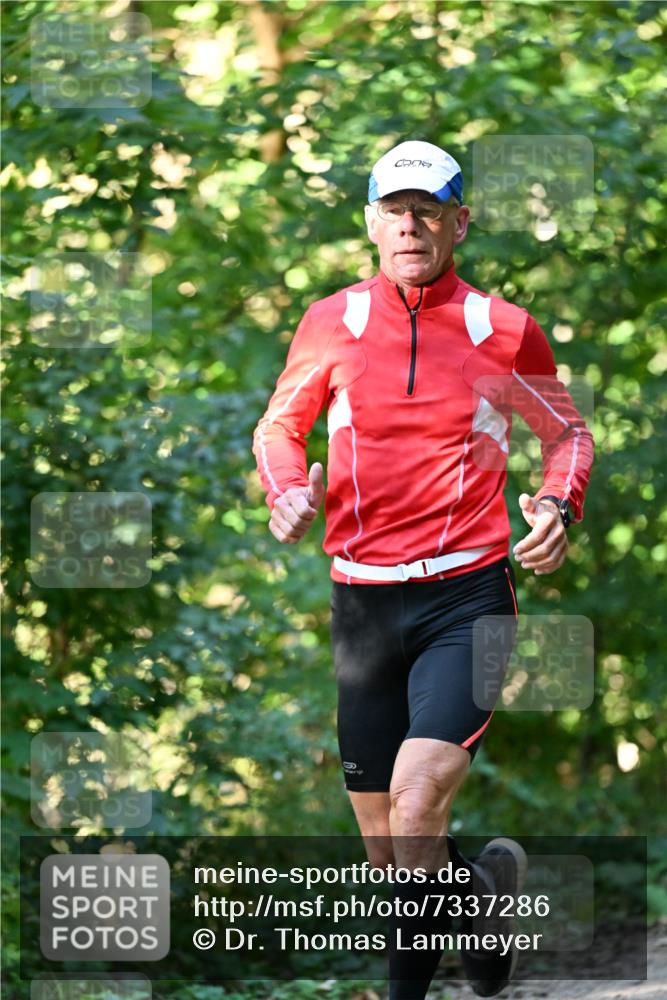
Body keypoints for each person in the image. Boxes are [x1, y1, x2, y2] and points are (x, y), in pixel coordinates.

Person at [252, 139, 594, 998]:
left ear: (457, 222)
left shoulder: (502, 329)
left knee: (417, 798)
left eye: (428, 210)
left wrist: (556, 506)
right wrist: (286, 492)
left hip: (467, 594)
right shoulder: (331, 323)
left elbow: (565, 434)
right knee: (388, 843)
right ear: (371, 224)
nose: (410, 225)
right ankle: (478, 900)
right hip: (362, 602)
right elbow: (278, 429)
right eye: (394, 211)